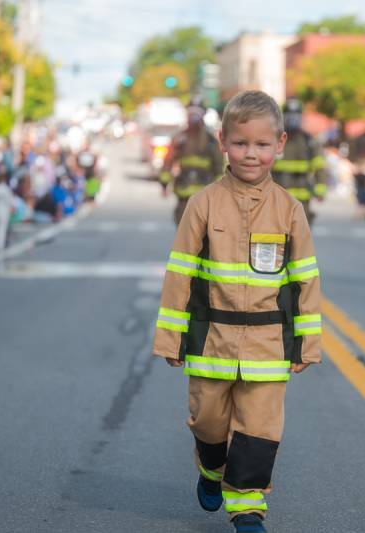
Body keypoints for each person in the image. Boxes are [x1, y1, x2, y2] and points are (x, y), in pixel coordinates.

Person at [152, 90, 321, 533]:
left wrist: (307, 342)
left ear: (279, 144)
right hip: (212, 341)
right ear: (224, 142)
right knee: (208, 422)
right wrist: (171, 336)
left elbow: (304, 280)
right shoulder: (203, 203)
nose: (252, 154)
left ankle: (247, 509)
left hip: (267, 345)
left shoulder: (290, 210)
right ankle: (210, 468)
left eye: (262, 145)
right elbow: (180, 274)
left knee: (259, 429)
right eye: (242, 143)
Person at [159, 95, 224, 225]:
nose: (194, 118)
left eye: (197, 114)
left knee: (203, 235)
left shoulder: (211, 141)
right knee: (184, 233)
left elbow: (219, 168)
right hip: (184, 193)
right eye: (191, 114)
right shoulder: (179, 139)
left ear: (202, 117)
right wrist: (164, 183)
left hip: (205, 196)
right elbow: (168, 162)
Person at [270, 98, 326, 224]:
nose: (293, 119)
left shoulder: (309, 141)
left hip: (302, 199)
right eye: (289, 115)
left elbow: (319, 166)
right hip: (277, 198)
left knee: (301, 236)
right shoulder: (275, 139)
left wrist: (320, 189)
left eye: (296, 115)